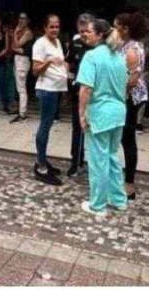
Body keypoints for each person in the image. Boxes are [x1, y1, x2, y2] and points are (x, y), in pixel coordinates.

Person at [75, 18, 128, 216]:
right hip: (118, 113)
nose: (84, 34)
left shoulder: (91, 56)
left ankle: (97, 205)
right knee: (112, 158)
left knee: (98, 161)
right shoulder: (118, 57)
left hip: (100, 114)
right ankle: (118, 199)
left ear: (99, 35)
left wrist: (82, 114)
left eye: (88, 31)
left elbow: (86, 89)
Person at [113, 12, 148, 200]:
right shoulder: (123, 44)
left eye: (116, 25)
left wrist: (116, 92)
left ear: (125, 29)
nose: (113, 29)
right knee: (124, 138)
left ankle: (129, 183)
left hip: (129, 98)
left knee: (127, 139)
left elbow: (132, 80)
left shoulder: (132, 48)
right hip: (123, 96)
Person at [31, 14, 67, 185]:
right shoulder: (40, 44)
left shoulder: (57, 42)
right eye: (51, 26)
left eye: (57, 26)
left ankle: (42, 158)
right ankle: (41, 166)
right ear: (45, 28)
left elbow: (59, 64)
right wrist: (49, 61)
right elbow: (35, 71)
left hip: (57, 88)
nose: (54, 29)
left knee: (48, 124)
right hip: (46, 90)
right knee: (44, 125)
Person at [65, 13, 93, 178]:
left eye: (87, 30)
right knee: (77, 128)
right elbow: (68, 62)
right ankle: (76, 161)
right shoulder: (75, 44)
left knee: (94, 130)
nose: (84, 34)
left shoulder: (99, 46)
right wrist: (69, 80)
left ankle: (94, 163)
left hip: (95, 94)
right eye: (81, 30)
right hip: (78, 93)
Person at [9, 12, 35, 123]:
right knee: (19, 87)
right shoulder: (21, 31)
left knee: (22, 87)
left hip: (23, 60)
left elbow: (17, 44)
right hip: (18, 59)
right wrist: (16, 48)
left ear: (28, 20)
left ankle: (22, 113)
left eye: (23, 18)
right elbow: (12, 46)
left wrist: (14, 33)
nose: (21, 20)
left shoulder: (28, 32)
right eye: (20, 18)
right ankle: (21, 109)